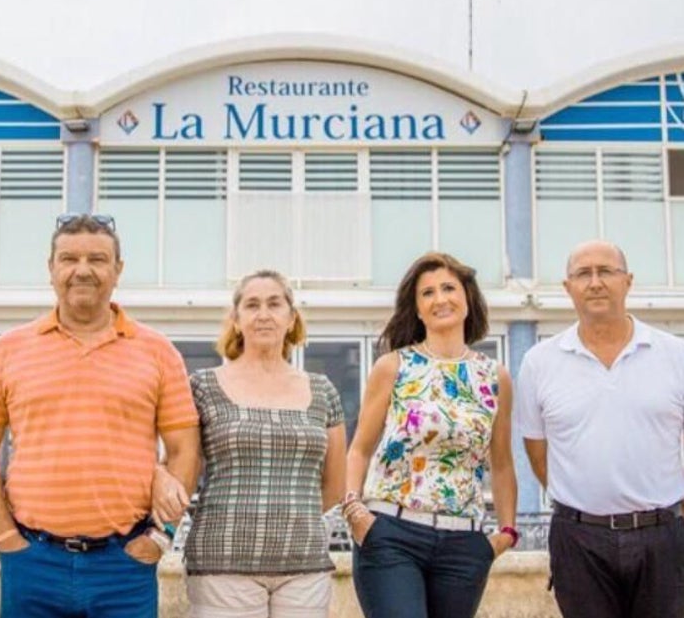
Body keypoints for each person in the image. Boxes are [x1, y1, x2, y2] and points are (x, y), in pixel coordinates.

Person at [0, 213, 200, 618]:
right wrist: (5, 537)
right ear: (51, 269)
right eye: (69, 259)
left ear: (118, 270)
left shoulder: (158, 351)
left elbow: (185, 450)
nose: (82, 270)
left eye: (97, 259)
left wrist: (159, 538)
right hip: (32, 563)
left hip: (125, 565)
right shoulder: (8, 350)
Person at [344, 252, 518, 618]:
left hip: (464, 543)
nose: (440, 299)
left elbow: (501, 463)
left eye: (449, 288)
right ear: (417, 309)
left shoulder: (494, 376)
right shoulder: (393, 366)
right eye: (427, 293)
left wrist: (505, 534)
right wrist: (355, 512)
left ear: (468, 299)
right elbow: (359, 448)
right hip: (391, 533)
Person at [517, 239, 684, 618]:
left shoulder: (674, 354)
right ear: (567, 287)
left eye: (606, 271)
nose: (595, 282)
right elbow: (537, 451)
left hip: (664, 536)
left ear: (628, 281)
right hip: (578, 539)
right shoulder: (539, 363)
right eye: (583, 274)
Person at [181, 269, 347, 618]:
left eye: (274, 304)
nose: (263, 314)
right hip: (222, 562)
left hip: (305, 564)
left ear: (291, 318)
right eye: (252, 305)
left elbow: (336, 484)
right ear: (237, 320)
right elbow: (185, 467)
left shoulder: (323, 390)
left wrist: (290, 521)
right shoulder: (202, 386)